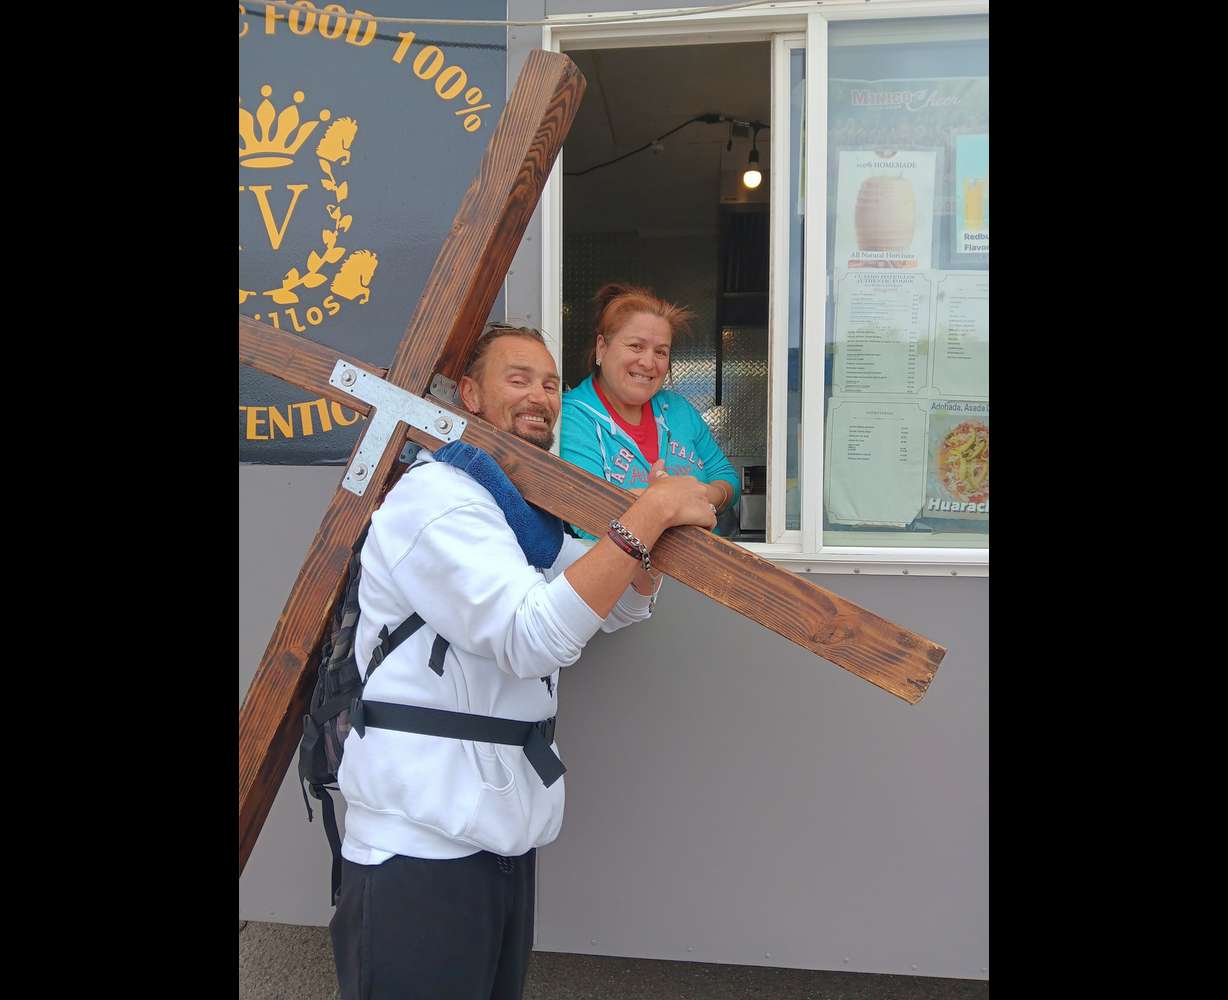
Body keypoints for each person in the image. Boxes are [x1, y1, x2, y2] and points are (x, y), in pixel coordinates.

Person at [328, 323, 716, 1000]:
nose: (539, 395)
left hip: (497, 841)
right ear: (470, 395)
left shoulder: (519, 519)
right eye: (517, 379)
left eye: (547, 383)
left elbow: (614, 607)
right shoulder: (438, 501)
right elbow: (532, 635)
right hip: (417, 846)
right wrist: (647, 515)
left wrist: (650, 552)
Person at [560, 283, 741, 536]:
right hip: (628, 572)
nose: (648, 362)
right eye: (636, 346)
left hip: (704, 567)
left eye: (660, 352)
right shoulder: (572, 416)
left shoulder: (677, 409)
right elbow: (588, 516)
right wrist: (673, 501)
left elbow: (727, 477)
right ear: (602, 347)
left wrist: (710, 494)